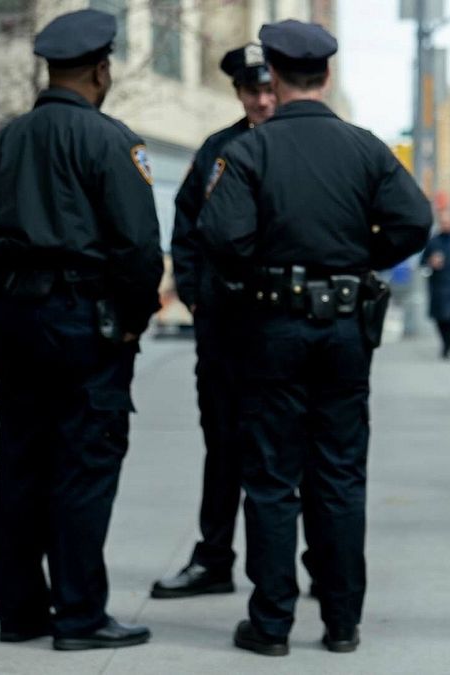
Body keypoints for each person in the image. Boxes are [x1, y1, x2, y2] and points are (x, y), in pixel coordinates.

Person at [196, 19, 431, 656]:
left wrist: (266, 266)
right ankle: (341, 622)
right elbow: (415, 220)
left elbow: (221, 236)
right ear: (326, 76)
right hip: (347, 329)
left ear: (271, 74)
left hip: (271, 327)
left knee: (271, 477)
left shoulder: (248, 151)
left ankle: (271, 625)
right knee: (339, 474)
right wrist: (361, 254)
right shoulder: (365, 148)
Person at [0, 9, 163, 650]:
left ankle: (20, 613)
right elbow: (138, 250)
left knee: (22, 460)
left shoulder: (3, 141)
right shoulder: (110, 141)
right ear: (101, 69)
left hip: (19, 322)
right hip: (85, 322)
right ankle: (79, 616)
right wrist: (129, 325)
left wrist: (11, 302)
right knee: (84, 463)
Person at [149, 44, 276, 600]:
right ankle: (215, 557)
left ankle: (321, 563)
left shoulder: (302, 143)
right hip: (224, 325)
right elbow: (187, 229)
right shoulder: (215, 151)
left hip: (285, 323)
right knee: (223, 445)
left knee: (297, 448)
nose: (264, 101)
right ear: (239, 94)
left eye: (271, 90)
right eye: (253, 91)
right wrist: (198, 297)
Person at [421, 208, 450, 359]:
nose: (445, 225)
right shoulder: (434, 241)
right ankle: (445, 344)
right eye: (443, 222)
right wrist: (430, 262)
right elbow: (423, 261)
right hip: (438, 284)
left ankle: (448, 346)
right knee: (440, 317)